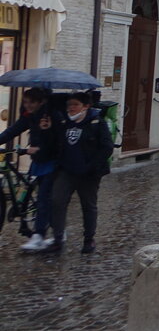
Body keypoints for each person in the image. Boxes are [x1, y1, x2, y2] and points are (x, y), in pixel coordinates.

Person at [47, 91, 113, 255]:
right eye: (69, 105)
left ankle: (89, 239)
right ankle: (58, 238)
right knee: (57, 201)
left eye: (75, 105)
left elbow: (107, 147)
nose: (71, 108)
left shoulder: (97, 123)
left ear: (86, 106)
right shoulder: (64, 122)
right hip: (67, 171)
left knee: (88, 206)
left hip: (89, 174)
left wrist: (91, 166)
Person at [0, 88, 61, 252]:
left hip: (52, 161)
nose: (27, 105)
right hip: (39, 161)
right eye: (25, 102)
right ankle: (58, 231)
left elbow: (56, 142)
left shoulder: (52, 116)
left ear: (41, 102)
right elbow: (14, 129)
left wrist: (43, 137)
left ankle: (39, 236)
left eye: (31, 102)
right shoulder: (31, 116)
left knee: (43, 198)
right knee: (44, 197)